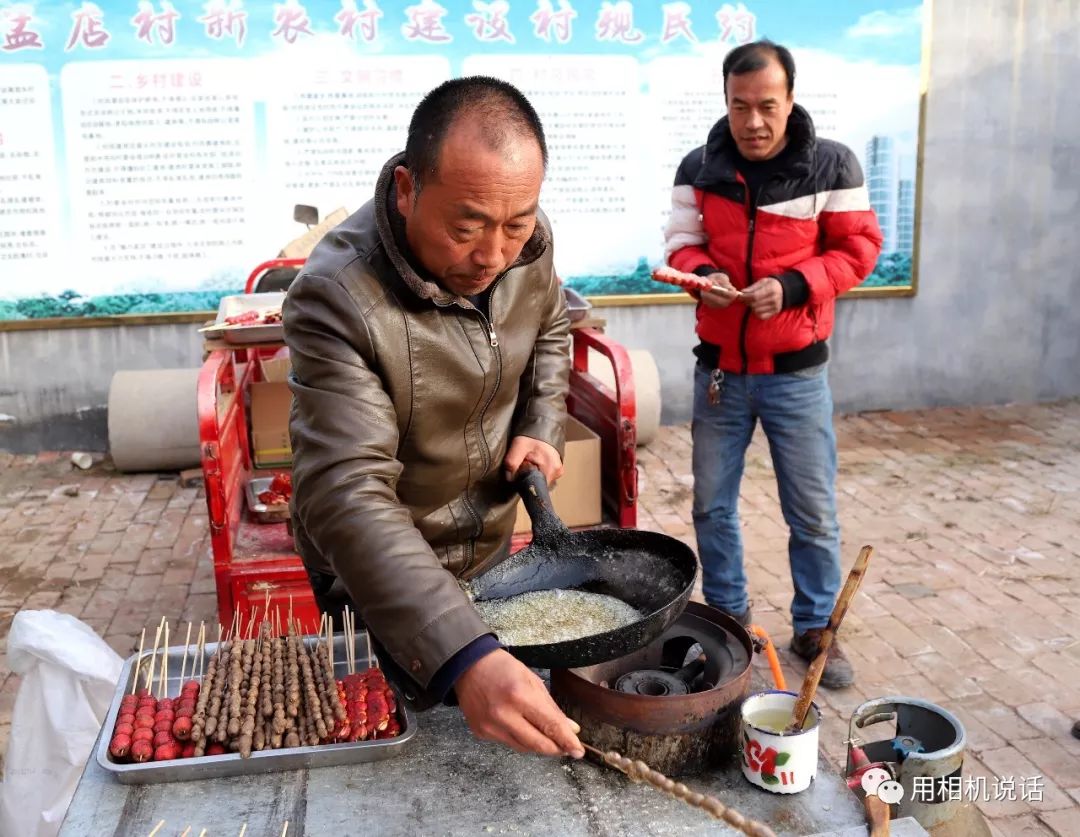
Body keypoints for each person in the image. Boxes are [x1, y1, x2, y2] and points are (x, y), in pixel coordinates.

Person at [283, 76, 584, 759]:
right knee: (401, 756)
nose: (493, 255)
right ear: (405, 190)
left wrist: (541, 419)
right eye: (466, 226)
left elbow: (551, 322)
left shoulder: (524, 241)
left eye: (516, 225)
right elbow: (346, 492)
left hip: (488, 547)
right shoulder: (335, 297)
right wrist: (462, 652)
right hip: (381, 575)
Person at [664, 40, 883, 688]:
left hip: (796, 373)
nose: (753, 121)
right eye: (740, 106)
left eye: (767, 106)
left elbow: (861, 249)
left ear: (789, 100)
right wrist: (706, 277)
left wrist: (791, 286)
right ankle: (727, 621)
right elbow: (681, 244)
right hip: (721, 374)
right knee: (711, 506)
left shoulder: (831, 165)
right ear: (725, 102)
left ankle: (817, 628)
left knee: (811, 509)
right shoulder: (698, 167)